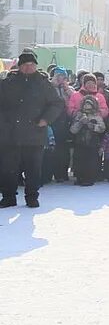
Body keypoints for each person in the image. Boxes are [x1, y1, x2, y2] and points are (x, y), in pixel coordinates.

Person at [0, 51, 65, 208]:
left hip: (34, 132)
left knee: (33, 168)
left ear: (36, 66)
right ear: (20, 66)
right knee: (8, 167)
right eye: (25, 65)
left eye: (32, 65)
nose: (29, 67)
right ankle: (8, 196)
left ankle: (32, 197)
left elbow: (57, 103)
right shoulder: (8, 83)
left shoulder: (43, 83)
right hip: (10, 133)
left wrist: (45, 119)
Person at [69, 95, 107, 186]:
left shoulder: (97, 116)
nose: (87, 107)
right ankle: (79, 177)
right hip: (80, 143)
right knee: (79, 161)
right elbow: (72, 130)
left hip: (92, 143)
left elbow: (102, 128)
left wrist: (91, 126)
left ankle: (89, 178)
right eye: (85, 104)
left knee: (90, 162)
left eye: (89, 104)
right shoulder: (79, 115)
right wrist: (80, 123)